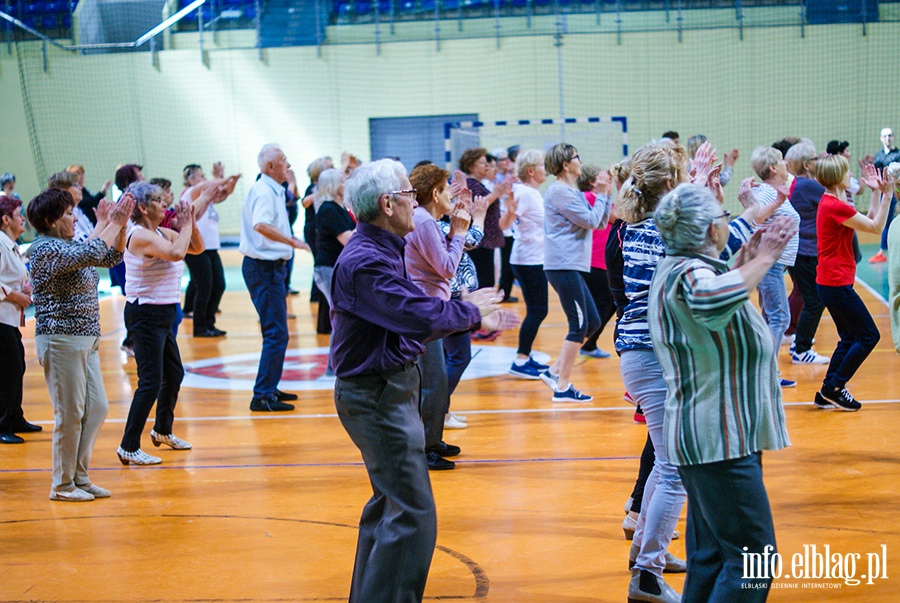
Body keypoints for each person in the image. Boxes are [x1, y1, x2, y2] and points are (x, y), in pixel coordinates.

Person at [331, 158, 514, 603]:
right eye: (409, 196)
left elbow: (417, 303)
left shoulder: (383, 249)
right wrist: (471, 311)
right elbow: (416, 314)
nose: (417, 202)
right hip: (377, 395)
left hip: (387, 389)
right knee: (413, 514)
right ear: (387, 203)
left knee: (390, 506)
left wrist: (466, 305)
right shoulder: (367, 261)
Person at [616, 140, 761, 603]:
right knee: (676, 468)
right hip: (650, 356)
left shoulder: (638, 226)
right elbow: (717, 244)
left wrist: (702, 188)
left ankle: (646, 550)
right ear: (671, 183)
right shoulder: (662, 230)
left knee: (664, 461)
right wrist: (749, 213)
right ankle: (647, 574)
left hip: (638, 353)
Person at [649, 183, 794, 603]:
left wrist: (744, 260)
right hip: (718, 440)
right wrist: (765, 258)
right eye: (723, 216)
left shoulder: (688, 265)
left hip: (712, 435)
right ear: (711, 230)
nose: (728, 220)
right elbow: (710, 302)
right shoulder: (689, 272)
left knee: (712, 554)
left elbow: (713, 290)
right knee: (755, 558)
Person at [27, 187, 135, 501]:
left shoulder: (70, 244)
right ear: (50, 220)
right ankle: (62, 485)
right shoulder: (44, 249)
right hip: (60, 340)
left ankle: (80, 477)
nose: (75, 218)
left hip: (86, 340)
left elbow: (111, 255)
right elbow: (89, 253)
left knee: (97, 408)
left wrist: (121, 222)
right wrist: (110, 222)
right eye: (69, 213)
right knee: (70, 413)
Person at [116, 182, 204, 466]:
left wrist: (189, 223)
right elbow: (177, 253)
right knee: (150, 382)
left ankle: (162, 430)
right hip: (145, 316)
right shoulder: (140, 235)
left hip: (163, 315)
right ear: (143, 208)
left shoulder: (159, 232)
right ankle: (128, 446)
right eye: (156, 199)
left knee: (174, 374)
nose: (164, 201)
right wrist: (186, 224)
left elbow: (196, 247)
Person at [406, 163, 478, 469]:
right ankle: (425, 448)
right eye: (446, 187)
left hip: (432, 307)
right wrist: (459, 232)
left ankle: (432, 440)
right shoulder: (422, 221)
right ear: (435, 193)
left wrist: (451, 230)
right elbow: (447, 267)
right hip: (425, 311)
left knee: (435, 378)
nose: (450, 193)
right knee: (433, 381)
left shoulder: (426, 220)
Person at [814, 155, 896, 410]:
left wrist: (875, 193)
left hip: (831, 282)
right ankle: (837, 386)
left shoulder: (836, 201)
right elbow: (875, 226)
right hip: (835, 283)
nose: (851, 175)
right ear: (837, 178)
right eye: (847, 172)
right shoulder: (833, 205)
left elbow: (868, 217)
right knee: (869, 335)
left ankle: (828, 389)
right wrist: (889, 195)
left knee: (849, 337)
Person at [240, 144, 310, 412]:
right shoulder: (264, 192)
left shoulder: (272, 190)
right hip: (263, 268)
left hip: (270, 268)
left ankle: (270, 387)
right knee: (276, 333)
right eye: (283, 161)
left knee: (278, 333)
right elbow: (261, 225)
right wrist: (291, 241)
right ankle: (262, 395)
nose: (288, 165)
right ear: (270, 167)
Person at [539, 143, 610, 402]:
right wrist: (601, 194)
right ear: (565, 164)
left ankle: (554, 371)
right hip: (562, 265)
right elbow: (591, 220)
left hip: (572, 265)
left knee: (592, 322)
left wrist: (606, 194)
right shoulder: (559, 191)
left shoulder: (571, 191)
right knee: (579, 325)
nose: (581, 160)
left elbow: (600, 221)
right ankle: (562, 387)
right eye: (576, 157)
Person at [749, 146, 801, 387]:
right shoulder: (767, 193)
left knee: (770, 316)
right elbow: (756, 216)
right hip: (768, 262)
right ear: (772, 167)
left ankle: (760, 369)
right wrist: (780, 199)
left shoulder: (773, 190)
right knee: (780, 316)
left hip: (773, 264)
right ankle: (768, 374)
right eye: (781, 160)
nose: (785, 164)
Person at [504, 149, 551, 378]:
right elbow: (505, 224)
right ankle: (520, 361)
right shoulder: (526, 193)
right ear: (531, 171)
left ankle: (525, 355)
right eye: (542, 165)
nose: (546, 169)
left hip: (531, 258)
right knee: (538, 310)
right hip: (529, 260)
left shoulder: (530, 192)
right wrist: (510, 214)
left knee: (537, 309)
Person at [782, 141, 830, 364]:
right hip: (806, 252)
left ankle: (799, 341)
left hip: (803, 251)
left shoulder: (802, 184)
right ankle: (801, 349)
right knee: (815, 300)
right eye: (814, 159)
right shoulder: (808, 186)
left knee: (810, 296)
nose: (818, 161)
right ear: (806, 164)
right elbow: (834, 201)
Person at [180, 162, 240, 337]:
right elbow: (209, 186)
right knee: (204, 286)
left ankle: (209, 323)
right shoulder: (190, 193)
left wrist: (232, 181)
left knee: (219, 284)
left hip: (211, 247)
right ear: (190, 179)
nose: (204, 178)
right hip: (196, 247)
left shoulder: (206, 195)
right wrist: (220, 178)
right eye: (200, 175)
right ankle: (200, 327)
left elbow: (223, 193)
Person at [0, 196, 39, 444]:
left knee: (17, 368)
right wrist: (15, 295)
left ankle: (15, 417)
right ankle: (3, 423)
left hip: (10, 318)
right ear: (5, 219)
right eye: (18, 213)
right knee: (7, 371)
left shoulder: (10, 244)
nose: (23, 218)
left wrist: (24, 289)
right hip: (1, 318)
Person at [458, 147, 513, 293]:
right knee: (484, 282)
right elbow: (477, 207)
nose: (487, 166)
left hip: (486, 240)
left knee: (488, 280)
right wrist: (496, 194)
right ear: (471, 166)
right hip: (480, 242)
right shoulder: (471, 184)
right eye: (482, 163)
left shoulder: (479, 184)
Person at [576, 164, 616, 359]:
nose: (609, 183)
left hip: (596, 260)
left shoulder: (591, 199)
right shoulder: (592, 198)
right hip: (596, 260)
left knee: (606, 302)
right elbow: (620, 218)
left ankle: (588, 342)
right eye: (605, 179)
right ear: (593, 182)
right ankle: (584, 342)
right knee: (606, 302)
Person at [868, 128, 900, 263]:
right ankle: (883, 250)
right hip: (884, 192)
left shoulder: (898, 154)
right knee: (885, 220)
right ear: (881, 138)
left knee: (892, 220)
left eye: (889, 136)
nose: (887, 138)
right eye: (885, 136)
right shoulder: (879, 155)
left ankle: (883, 250)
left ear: (893, 137)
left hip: (894, 191)